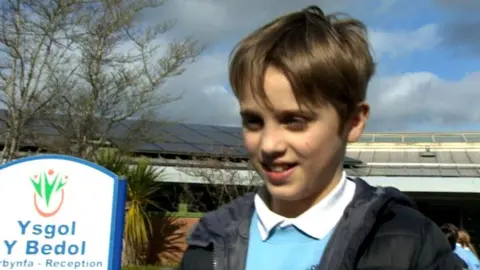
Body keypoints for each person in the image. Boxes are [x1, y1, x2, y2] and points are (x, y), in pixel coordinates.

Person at [179, 5, 461, 270]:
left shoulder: (411, 243)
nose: (269, 145)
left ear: (353, 121)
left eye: (294, 121)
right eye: (253, 121)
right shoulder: (209, 242)